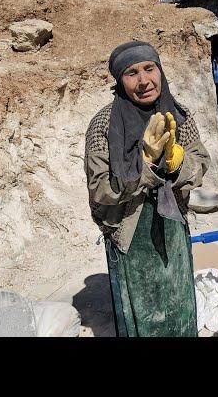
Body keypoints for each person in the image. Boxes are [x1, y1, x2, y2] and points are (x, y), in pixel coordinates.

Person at [84, 41, 210, 337]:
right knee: (142, 313)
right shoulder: (104, 124)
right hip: (129, 233)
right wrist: (146, 164)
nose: (143, 81)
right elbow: (100, 188)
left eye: (149, 69)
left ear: (160, 70)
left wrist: (178, 163)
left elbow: (201, 162)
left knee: (178, 305)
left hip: (173, 227)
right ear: (120, 80)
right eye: (131, 73)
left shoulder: (178, 115)